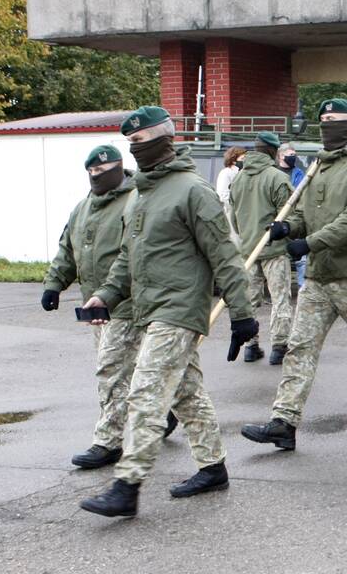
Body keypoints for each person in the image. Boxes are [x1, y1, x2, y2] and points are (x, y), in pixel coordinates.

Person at [78, 106, 259, 517]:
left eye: (140, 142)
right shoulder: (142, 194)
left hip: (178, 309)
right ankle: (213, 467)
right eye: (131, 144)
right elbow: (128, 255)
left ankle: (127, 484)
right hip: (147, 308)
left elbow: (225, 256)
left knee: (145, 392)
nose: (134, 150)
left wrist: (242, 313)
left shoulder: (194, 190)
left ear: (164, 139)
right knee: (186, 391)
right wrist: (105, 294)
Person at [242, 98, 347, 447]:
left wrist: (311, 243)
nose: (326, 124)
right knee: (299, 348)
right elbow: (303, 212)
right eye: (323, 119)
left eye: (333, 119)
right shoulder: (318, 165)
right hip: (319, 277)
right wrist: (288, 228)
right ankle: (283, 421)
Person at [42, 145, 178, 469]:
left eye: (104, 170)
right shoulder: (82, 208)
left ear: (120, 168)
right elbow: (68, 248)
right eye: (92, 172)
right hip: (95, 305)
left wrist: (111, 292)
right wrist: (54, 283)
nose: (97, 176)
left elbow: (133, 253)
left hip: (126, 302)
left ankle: (108, 442)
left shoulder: (133, 202)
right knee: (123, 370)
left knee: (111, 370)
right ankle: (163, 413)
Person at [229, 132, 294, 365]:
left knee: (250, 300)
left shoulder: (238, 179)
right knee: (280, 299)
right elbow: (288, 215)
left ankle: (251, 345)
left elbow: (233, 217)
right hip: (274, 249)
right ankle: (279, 345)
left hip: (248, 249)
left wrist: (246, 236)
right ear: (274, 152)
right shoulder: (277, 177)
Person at [279, 143, 307, 287]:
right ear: (281, 155)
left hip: (295, 217)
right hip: (278, 219)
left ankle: (303, 288)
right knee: (278, 259)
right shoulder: (274, 173)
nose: (294, 157)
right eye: (291, 155)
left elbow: (301, 193)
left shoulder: (299, 173)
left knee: (301, 258)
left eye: (294, 155)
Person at [215, 145, 245, 246]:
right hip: (231, 213)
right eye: (242, 158)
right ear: (233, 160)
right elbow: (223, 195)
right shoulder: (226, 173)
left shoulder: (244, 173)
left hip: (244, 215)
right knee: (235, 242)